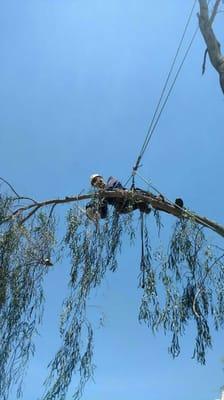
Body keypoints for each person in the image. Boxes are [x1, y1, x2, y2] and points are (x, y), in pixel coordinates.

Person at [86, 174, 151, 221]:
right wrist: (96, 213)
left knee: (138, 193)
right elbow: (104, 213)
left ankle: (149, 201)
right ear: (94, 186)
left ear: (101, 178)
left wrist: (105, 191)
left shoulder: (110, 180)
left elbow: (115, 186)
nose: (96, 182)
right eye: (94, 182)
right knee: (119, 210)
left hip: (126, 196)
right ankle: (141, 205)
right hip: (123, 205)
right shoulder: (101, 196)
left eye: (96, 179)